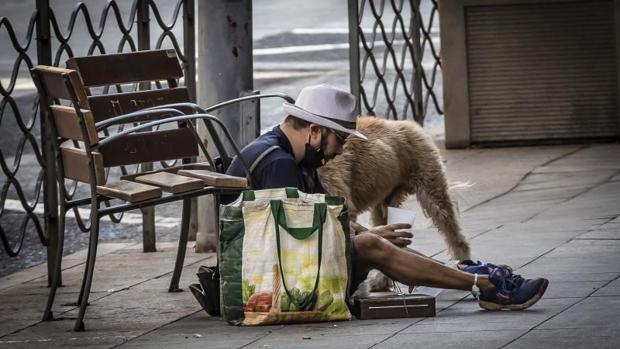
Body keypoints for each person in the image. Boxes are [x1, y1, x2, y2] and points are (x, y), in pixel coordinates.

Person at [225, 84, 548, 311]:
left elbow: (321, 222)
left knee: (374, 240)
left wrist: (368, 232)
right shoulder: (278, 164)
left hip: (275, 269)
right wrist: (368, 238)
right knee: (371, 245)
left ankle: (473, 274)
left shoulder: (294, 156)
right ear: (314, 130)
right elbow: (293, 245)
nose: (340, 151)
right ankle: (484, 286)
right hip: (263, 285)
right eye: (340, 140)